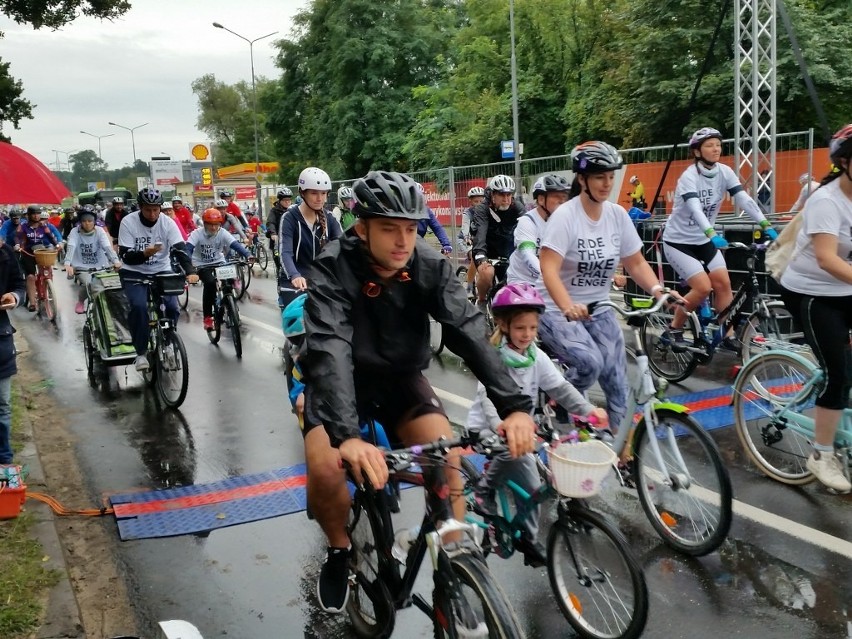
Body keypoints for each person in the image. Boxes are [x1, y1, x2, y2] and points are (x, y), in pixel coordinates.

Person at [299, 170, 536, 613]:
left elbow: (466, 329)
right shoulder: (333, 267)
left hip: (399, 378)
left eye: (410, 228)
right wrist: (348, 437)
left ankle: (456, 559)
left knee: (448, 459)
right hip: (338, 382)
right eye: (389, 228)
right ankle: (338, 550)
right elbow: (329, 350)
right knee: (327, 469)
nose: (402, 241)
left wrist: (514, 407)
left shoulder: (427, 263)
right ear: (361, 226)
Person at [538, 141, 678, 428]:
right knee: (590, 362)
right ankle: (557, 396)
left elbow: (636, 262)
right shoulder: (566, 216)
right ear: (582, 179)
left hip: (600, 308)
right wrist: (568, 306)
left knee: (617, 383)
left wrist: (657, 290)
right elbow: (548, 268)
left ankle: (624, 455)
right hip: (556, 309)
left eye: (611, 176)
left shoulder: (617, 215)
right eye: (600, 177)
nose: (607, 183)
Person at [467, 283, 607, 566]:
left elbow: (561, 388)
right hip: (488, 428)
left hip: (523, 428)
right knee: (520, 462)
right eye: (520, 328)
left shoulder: (536, 356)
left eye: (533, 328)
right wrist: (502, 426)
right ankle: (486, 495)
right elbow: (487, 400)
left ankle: (525, 536)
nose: (528, 335)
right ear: (504, 326)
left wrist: (588, 410)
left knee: (531, 481)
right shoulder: (493, 358)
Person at [778, 124, 852, 493]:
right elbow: (826, 259)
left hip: (847, 288)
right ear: (844, 162)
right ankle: (822, 453)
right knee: (838, 371)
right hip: (812, 292)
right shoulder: (826, 200)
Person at [661, 127, 778, 350]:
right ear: (697, 152)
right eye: (709, 145)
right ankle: (674, 328)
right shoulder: (689, 177)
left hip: (704, 241)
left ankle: (727, 335)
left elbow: (744, 199)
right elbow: (695, 209)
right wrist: (712, 234)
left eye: (718, 145)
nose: (716, 149)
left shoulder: (724, 172)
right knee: (703, 287)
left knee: (723, 284)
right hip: (679, 242)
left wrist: (766, 225)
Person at [117, 187, 198, 372]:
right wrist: (144, 254)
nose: (153, 214)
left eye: (156, 209)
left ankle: (169, 341)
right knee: (138, 307)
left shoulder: (167, 223)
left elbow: (179, 248)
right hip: (134, 272)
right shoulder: (128, 222)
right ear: (140, 208)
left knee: (171, 307)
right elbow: (125, 256)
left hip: (161, 269)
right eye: (148, 209)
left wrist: (190, 270)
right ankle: (141, 353)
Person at [278, 167, 342, 307]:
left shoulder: (330, 218)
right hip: (294, 283)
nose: (320, 198)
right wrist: (295, 275)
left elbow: (343, 247)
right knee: (298, 323)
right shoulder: (289, 218)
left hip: (322, 282)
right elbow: (285, 252)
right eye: (314, 193)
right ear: (302, 192)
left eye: (323, 193)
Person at [186, 209, 252, 332]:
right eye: (210, 224)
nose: (213, 227)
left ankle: (229, 304)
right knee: (210, 283)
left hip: (219, 262)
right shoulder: (197, 233)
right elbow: (188, 249)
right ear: (204, 224)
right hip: (202, 265)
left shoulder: (223, 232)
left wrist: (248, 255)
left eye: (216, 224)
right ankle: (207, 318)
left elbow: (234, 245)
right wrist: (189, 266)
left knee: (230, 279)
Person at [471, 174, 525, 312]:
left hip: (506, 249)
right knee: (487, 272)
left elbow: (528, 228)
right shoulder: (482, 209)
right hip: (486, 249)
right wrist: (481, 256)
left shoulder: (517, 206)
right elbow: (481, 233)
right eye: (502, 195)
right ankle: (482, 300)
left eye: (509, 195)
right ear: (493, 195)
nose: (506, 199)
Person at [506, 174, 571, 286]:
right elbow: (528, 255)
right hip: (523, 282)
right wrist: (552, 276)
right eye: (556, 196)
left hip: (552, 282)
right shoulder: (527, 222)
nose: (562, 201)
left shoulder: (566, 223)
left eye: (564, 197)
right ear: (541, 199)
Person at [63, 208, 122, 314]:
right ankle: (81, 301)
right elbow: (71, 246)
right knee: (88, 283)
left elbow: (107, 247)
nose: (87, 223)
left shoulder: (99, 231)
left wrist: (116, 261)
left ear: (94, 221)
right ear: (80, 222)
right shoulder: (75, 231)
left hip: (101, 265)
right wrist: (67, 263)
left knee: (107, 286)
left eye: (90, 221)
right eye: (84, 221)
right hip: (81, 266)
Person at [0, 238, 24, 468]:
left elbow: (18, 284)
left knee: (2, 404)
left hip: (1, 340)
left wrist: (14, 297)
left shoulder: (6, 253)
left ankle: (4, 460)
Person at [14, 206, 63, 312]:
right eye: (34, 214)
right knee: (31, 277)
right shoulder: (23, 226)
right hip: (28, 253)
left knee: (46, 272)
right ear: (29, 215)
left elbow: (50, 236)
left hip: (41, 251)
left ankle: (48, 287)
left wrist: (57, 244)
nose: (36, 216)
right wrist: (17, 245)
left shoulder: (43, 226)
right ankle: (32, 302)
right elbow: (17, 236)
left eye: (38, 213)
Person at [414, 183, 453, 254]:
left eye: (420, 196)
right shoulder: (401, 211)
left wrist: (446, 244)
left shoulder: (426, 210)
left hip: (419, 244)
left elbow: (437, 227)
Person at [266, 188, 292, 274]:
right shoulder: (274, 211)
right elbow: (271, 223)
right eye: (285, 200)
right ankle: (280, 275)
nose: (287, 202)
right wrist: (273, 234)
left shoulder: (293, 210)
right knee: (278, 259)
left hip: (292, 240)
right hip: (278, 241)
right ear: (280, 201)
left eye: (289, 200)